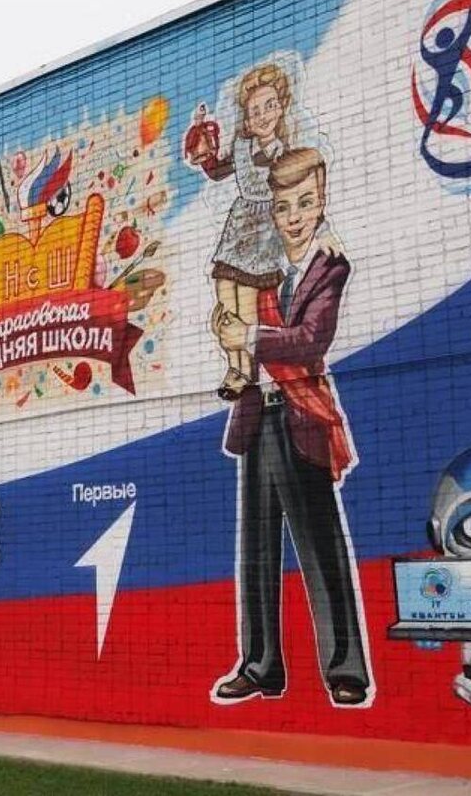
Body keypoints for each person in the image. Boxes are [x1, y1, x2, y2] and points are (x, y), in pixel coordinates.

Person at [211, 147, 372, 707]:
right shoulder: (263, 263)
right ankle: (260, 666)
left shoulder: (331, 265)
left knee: (320, 545)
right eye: (283, 207)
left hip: (302, 414)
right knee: (256, 549)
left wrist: (248, 338)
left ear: (321, 199)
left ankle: (345, 669)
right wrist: (227, 329)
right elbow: (231, 297)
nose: (294, 217)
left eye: (305, 203)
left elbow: (310, 340)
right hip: (259, 416)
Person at [184, 63, 293, 401]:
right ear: (246, 115)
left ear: (281, 108)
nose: (262, 115)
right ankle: (235, 366)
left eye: (269, 106)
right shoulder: (243, 146)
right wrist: (201, 133)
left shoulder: (284, 151)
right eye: (255, 110)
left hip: (263, 231)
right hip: (238, 226)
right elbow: (217, 171)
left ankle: (247, 373)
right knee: (224, 296)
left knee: (246, 302)